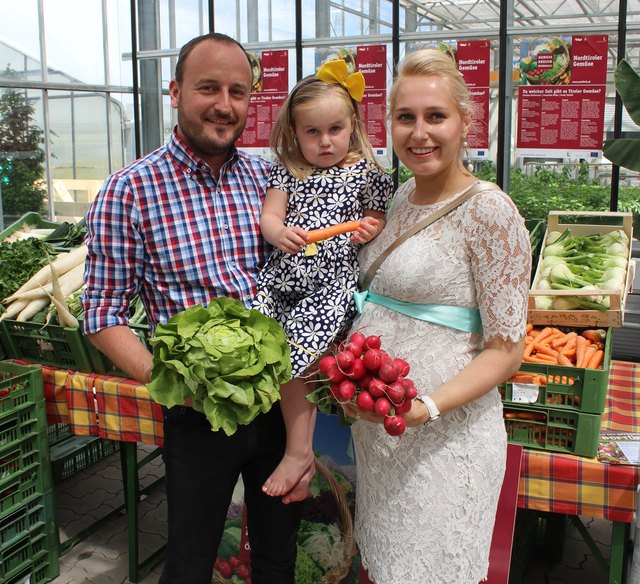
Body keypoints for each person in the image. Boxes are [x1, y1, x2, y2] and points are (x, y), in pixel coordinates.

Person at [81, 32, 303, 584]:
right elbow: (101, 312)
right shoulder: (129, 190)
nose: (225, 105)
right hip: (197, 414)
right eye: (208, 88)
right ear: (176, 90)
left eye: (238, 92)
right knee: (190, 559)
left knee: (279, 553)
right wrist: (169, 382)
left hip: (279, 401)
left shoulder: (267, 180)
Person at [342, 48, 532, 583]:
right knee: (384, 565)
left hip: (445, 443)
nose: (419, 133)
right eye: (406, 118)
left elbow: (506, 348)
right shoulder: (401, 197)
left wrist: (426, 407)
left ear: (466, 123)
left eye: (435, 116)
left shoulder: (490, 212)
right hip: (384, 436)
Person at [253, 59, 393, 502]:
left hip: (330, 283)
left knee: (295, 355)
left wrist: (370, 226)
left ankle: (298, 451)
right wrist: (278, 233)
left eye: (334, 129)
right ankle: (285, 445)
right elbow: (270, 217)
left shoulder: (365, 172)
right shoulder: (286, 170)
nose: (325, 141)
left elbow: (378, 216)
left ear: (352, 125)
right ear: (295, 132)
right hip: (281, 278)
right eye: (312, 132)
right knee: (262, 345)